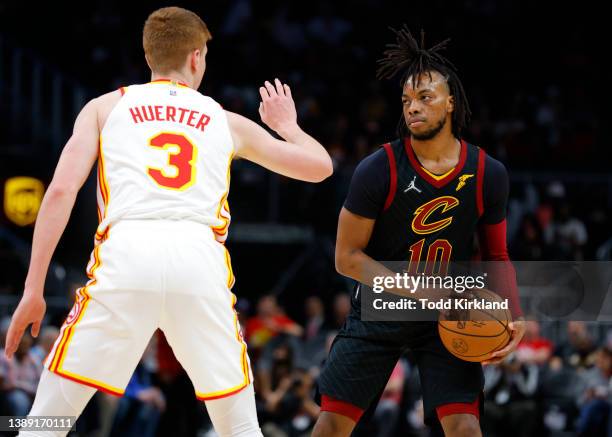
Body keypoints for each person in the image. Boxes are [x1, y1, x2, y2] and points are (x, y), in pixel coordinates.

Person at [4, 6, 332, 437]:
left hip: (126, 254)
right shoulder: (224, 119)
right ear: (197, 57)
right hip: (197, 260)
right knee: (239, 426)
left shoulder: (105, 108)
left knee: (46, 422)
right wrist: (287, 126)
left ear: (148, 56)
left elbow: (61, 192)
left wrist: (33, 288)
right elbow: (320, 166)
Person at [311, 27, 525, 437]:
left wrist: (514, 313)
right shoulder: (378, 168)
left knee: (464, 425)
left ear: (450, 103)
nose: (413, 107)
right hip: (379, 308)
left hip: (448, 312)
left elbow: (496, 255)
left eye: (425, 97)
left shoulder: (487, 173)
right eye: (407, 100)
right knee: (331, 426)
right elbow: (346, 257)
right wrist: (415, 289)